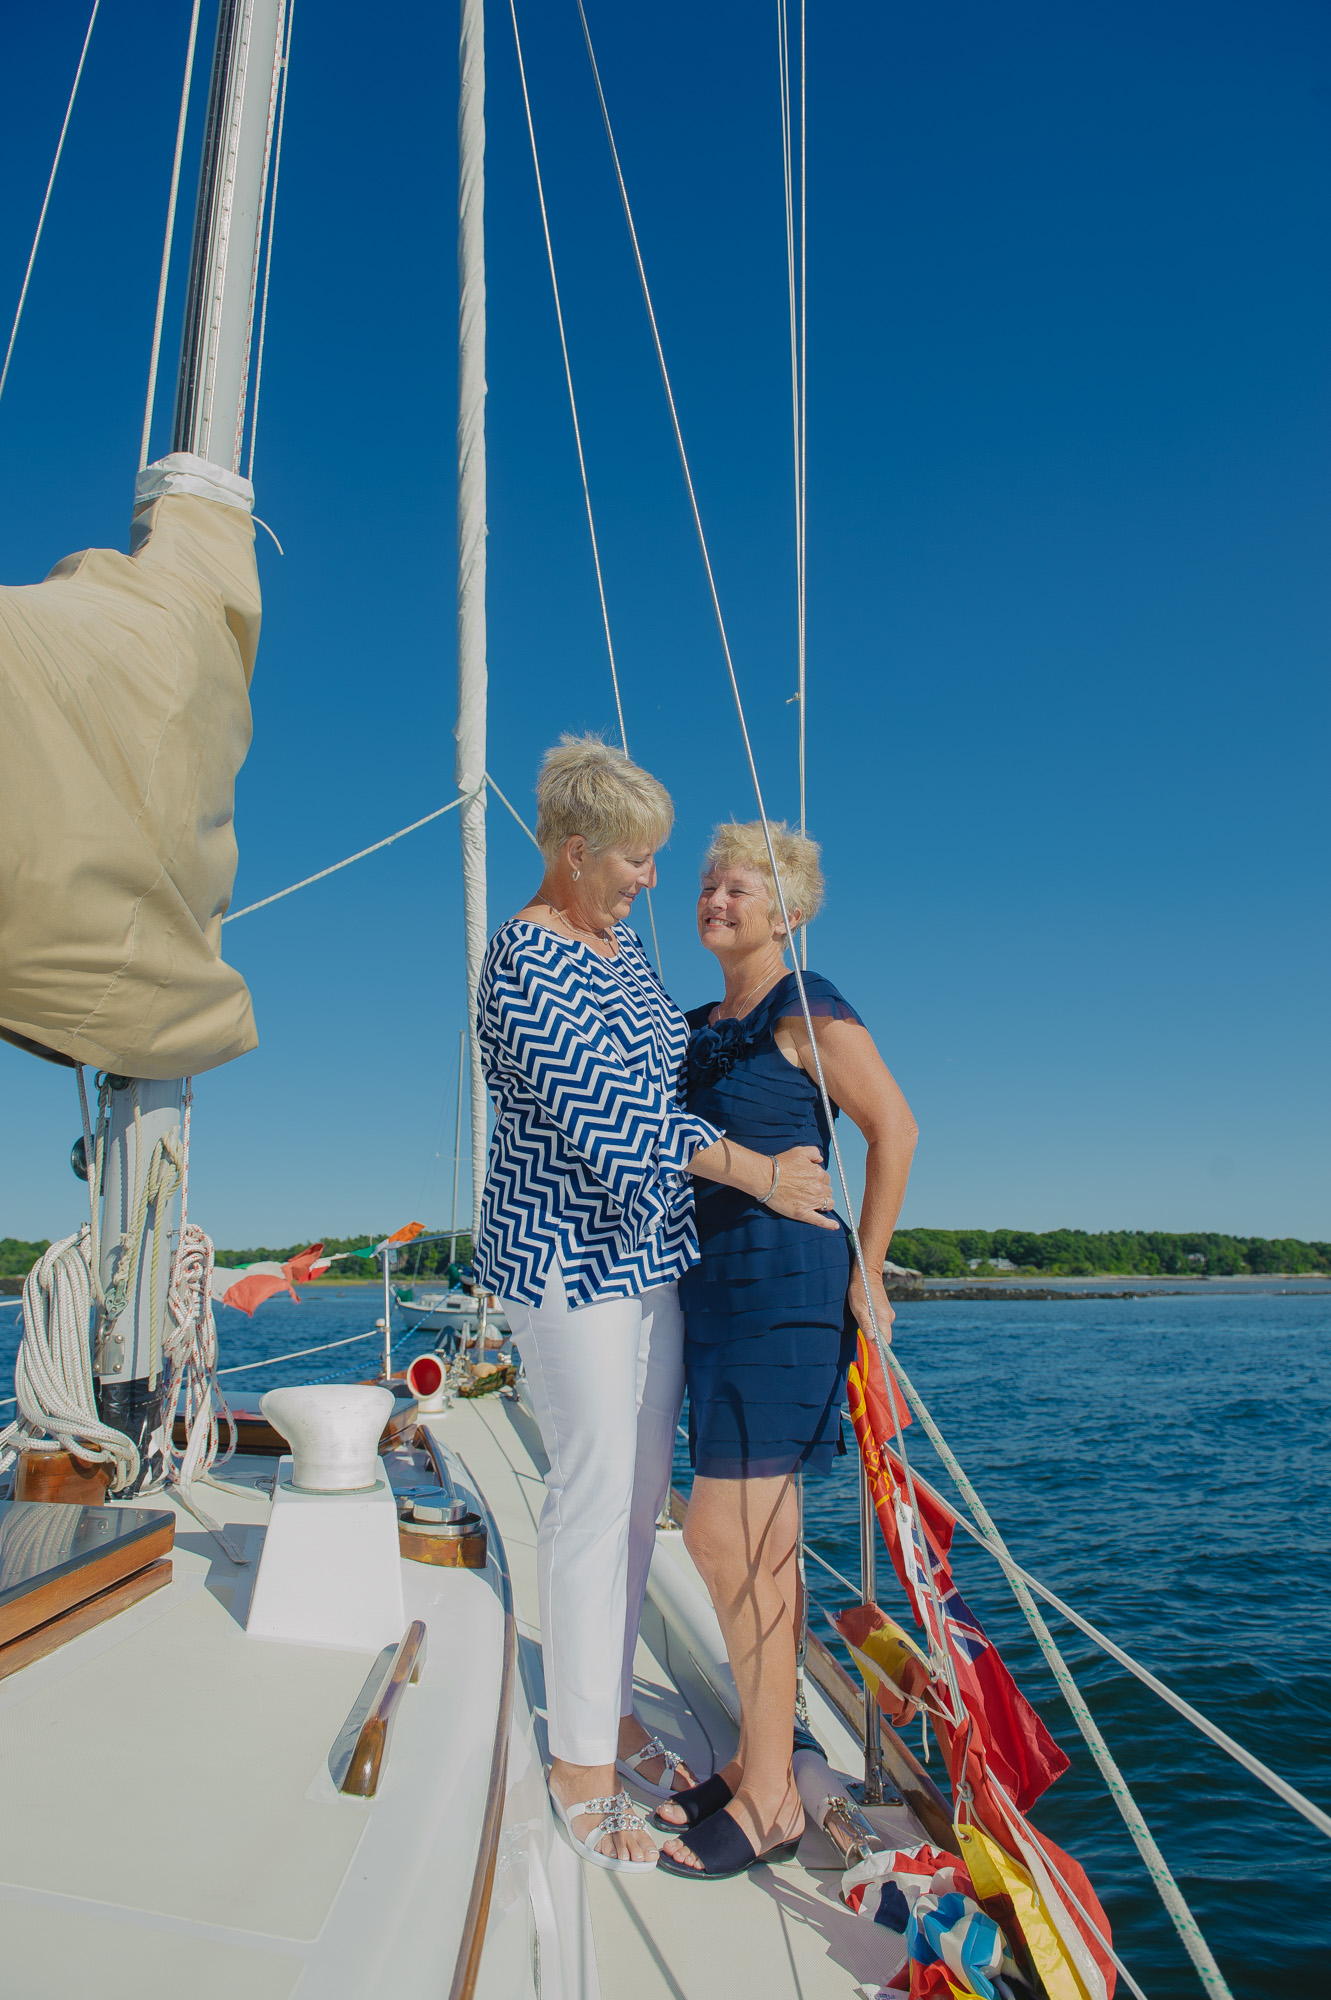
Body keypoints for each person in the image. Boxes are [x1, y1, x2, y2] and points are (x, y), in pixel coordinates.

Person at [475, 743, 835, 1874]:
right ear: (575, 852)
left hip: (648, 1263)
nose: (648, 883)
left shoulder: (616, 940)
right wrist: (763, 1170)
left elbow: (673, 1058)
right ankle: (580, 1761)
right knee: (589, 1499)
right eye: (635, 861)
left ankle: (614, 1716)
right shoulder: (522, 963)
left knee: (638, 1507)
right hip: (564, 1266)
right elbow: (618, 1125)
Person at [655, 820, 918, 1881]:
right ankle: (760, 1761)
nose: (715, 898)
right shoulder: (689, 1025)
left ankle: (769, 1798)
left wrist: (868, 1264)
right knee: (754, 1550)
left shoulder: (806, 1005)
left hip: (788, 1293)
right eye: (707, 884)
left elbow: (891, 1128)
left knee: (722, 1537)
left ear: (786, 909)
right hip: (709, 1293)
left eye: (737, 887)